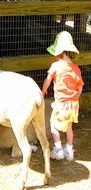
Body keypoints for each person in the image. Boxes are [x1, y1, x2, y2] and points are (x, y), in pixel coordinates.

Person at [42, 31, 84, 161]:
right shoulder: (76, 68)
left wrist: (43, 91)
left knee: (53, 125)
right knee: (69, 127)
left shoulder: (56, 66)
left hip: (61, 103)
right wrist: (76, 95)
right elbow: (80, 85)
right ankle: (69, 151)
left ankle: (58, 149)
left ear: (59, 51)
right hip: (73, 104)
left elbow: (48, 79)